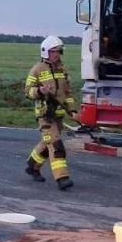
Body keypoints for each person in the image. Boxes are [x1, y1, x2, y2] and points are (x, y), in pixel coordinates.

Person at [25, 35, 79, 189]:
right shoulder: (37, 70)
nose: (57, 54)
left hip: (59, 114)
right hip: (45, 115)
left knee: (47, 143)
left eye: (59, 51)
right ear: (46, 52)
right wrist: (40, 91)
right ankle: (62, 178)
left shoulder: (62, 70)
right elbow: (27, 92)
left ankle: (32, 166)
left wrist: (72, 111)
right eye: (54, 51)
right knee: (56, 144)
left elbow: (67, 94)